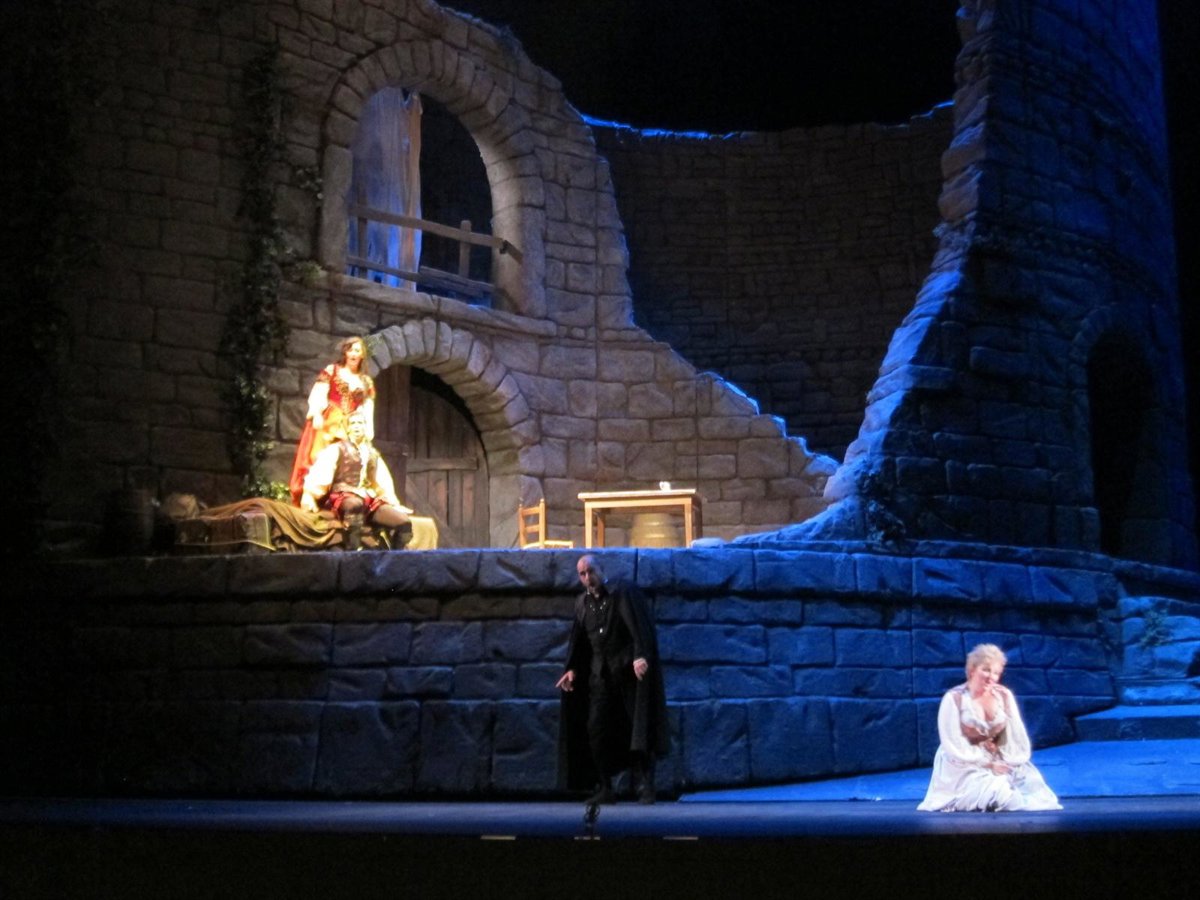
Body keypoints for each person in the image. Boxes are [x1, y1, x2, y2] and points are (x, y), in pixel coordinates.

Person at [556, 554, 669, 805]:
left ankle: (646, 785)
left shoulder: (622, 593)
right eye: (582, 574)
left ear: (601, 569)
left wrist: (640, 655)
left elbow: (639, 629)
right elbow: (581, 643)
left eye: (591, 571)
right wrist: (572, 670)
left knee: (637, 728)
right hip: (600, 677)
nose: (588, 578)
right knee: (596, 729)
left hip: (628, 673)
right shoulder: (582, 604)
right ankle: (605, 786)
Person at [918, 643, 1062, 812]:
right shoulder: (954, 698)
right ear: (972, 670)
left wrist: (1006, 759)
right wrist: (989, 764)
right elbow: (953, 744)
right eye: (986, 670)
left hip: (997, 756)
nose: (991, 677)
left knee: (1035, 790)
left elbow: (1014, 734)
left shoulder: (1003, 695)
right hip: (962, 762)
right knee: (1001, 793)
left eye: (996, 673)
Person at [300, 411, 412, 549]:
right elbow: (321, 474)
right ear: (348, 428)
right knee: (354, 504)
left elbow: (382, 482)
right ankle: (353, 551)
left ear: (365, 427)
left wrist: (393, 502)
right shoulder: (337, 449)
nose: (357, 426)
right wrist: (310, 495)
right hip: (344, 496)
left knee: (404, 523)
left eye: (360, 423)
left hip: (367, 499)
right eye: (353, 423)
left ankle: (395, 555)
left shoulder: (372, 453)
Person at [289, 336, 376, 505]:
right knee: (319, 455)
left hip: (351, 424)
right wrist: (317, 413)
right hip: (330, 421)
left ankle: (337, 495)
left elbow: (367, 406)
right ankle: (311, 495)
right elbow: (319, 392)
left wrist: (367, 428)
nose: (353, 354)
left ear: (362, 355)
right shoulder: (333, 370)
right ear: (345, 353)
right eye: (350, 350)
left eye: (357, 350)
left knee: (348, 458)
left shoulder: (365, 381)